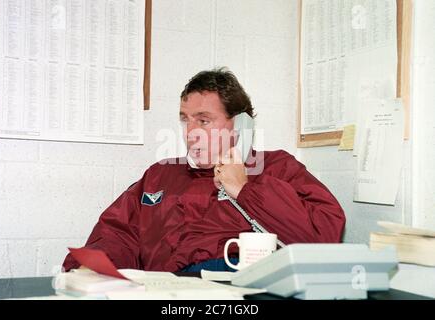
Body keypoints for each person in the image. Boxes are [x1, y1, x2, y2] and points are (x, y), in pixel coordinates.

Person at [63, 68, 345, 272]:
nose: (191, 133)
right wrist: (94, 268)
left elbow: (323, 239)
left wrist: (246, 190)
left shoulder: (278, 168)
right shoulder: (161, 175)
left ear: (241, 125)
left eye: (204, 120)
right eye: (186, 120)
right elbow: (117, 233)